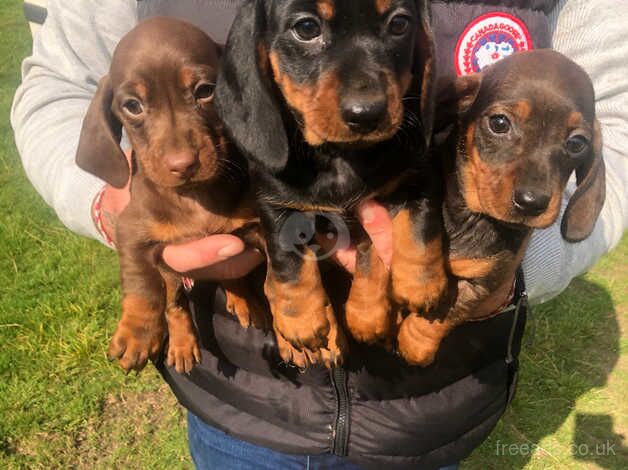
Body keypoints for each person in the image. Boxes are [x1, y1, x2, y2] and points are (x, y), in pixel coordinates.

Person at [11, 0, 627, 468]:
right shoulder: (268, 139)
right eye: (307, 26)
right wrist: (120, 207)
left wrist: (501, 271)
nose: (365, 101)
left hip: (439, 402)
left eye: (394, 27)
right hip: (243, 396)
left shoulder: (411, 126)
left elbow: (616, 124)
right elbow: (61, 85)